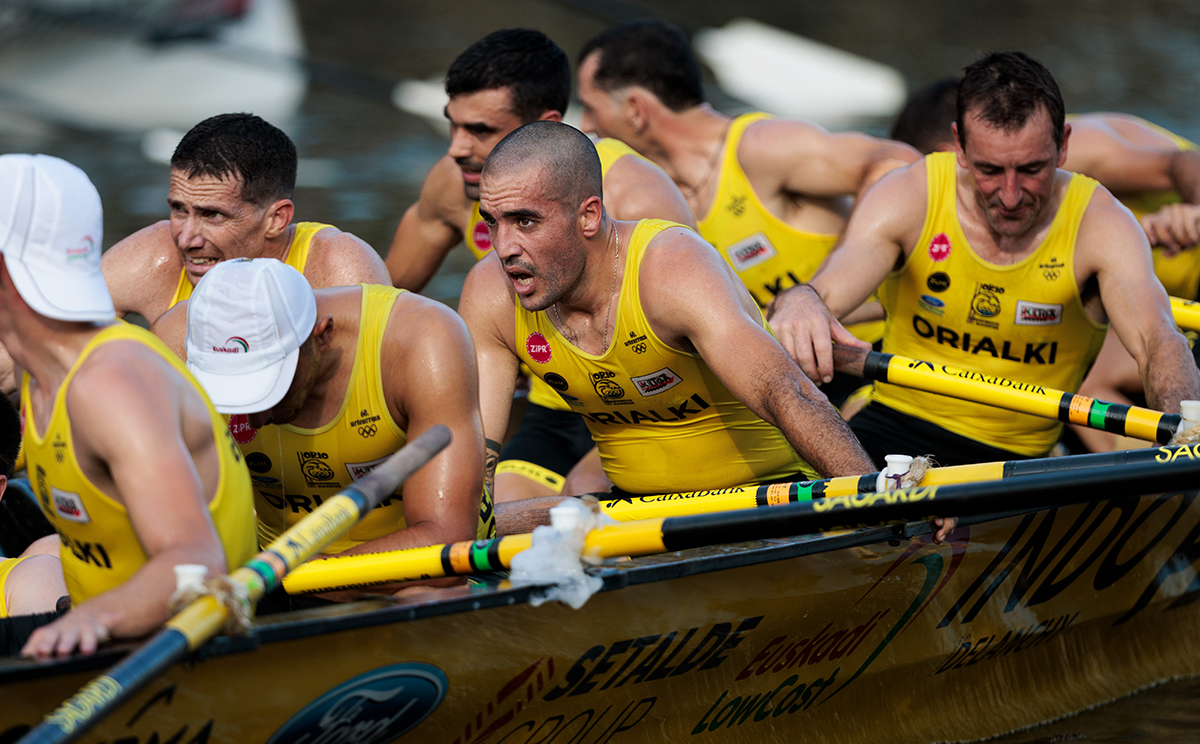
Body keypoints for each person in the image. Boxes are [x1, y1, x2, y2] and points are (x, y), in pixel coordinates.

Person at [771, 52, 1200, 467]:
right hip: (893, 426)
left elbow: (1157, 340)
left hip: (1017, 457)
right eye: (990, 170)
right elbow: (826, 291)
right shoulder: (909, 195)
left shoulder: (1100, 221)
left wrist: (1188, 432)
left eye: (1032, 169)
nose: (1010, 195)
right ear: (959, 146)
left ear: (1064, 146)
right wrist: (801, 301)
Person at [459, 121, 876, 514]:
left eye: (525, 221)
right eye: (492, 223)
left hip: (769, 496)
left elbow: (786, 395)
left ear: (588, 216)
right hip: (633, 511)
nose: (504, 247)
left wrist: (876, 502)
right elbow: (476, 449)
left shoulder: (670, 268)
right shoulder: (491, 293)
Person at [386, 28, 695, 503]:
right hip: (559, 407)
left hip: (662, 405)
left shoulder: (634, 195)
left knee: (580, 496)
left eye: (482, 131)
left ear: (548, 123)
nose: (457, 149)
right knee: (495, 508)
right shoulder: (455, 182)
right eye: (454, 124)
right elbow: (383, 300)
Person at [574, 20, 920, 404]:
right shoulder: (650, 199)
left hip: (869, 362)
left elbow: (901, 164)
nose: (587, 127)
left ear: (636, 110)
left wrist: (815, 298)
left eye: (590, 108)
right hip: (776, 384)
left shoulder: (760, 149)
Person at [0, 154, 256, 659]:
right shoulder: (40, 370)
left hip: (173, 659)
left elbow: (197, 564)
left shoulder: (111, 384)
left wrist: (94, 618)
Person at [153, 258, 493, 599]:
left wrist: (313, 575)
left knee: (423, 596)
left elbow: (443, 542)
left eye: (270, 387)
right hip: (270, 574)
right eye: (231, 396)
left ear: (322, 334)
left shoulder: (422, 339)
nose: (255, 419)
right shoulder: (171, 345)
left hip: (406, 578)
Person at [892, 78, 1200, 451]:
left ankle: (1165, 487)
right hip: (1159, 300)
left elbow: (1183, 163)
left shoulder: (1065, 151)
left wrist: (1193, 214)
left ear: (951, 155)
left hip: (1186, 288)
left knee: (1082, 382)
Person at [100, 112, 389, 329]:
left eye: (212, 215)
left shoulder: (340, 272)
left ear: (276, 219)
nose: (186, 239)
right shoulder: (152, 257)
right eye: (179, 210)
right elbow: (59, 344)